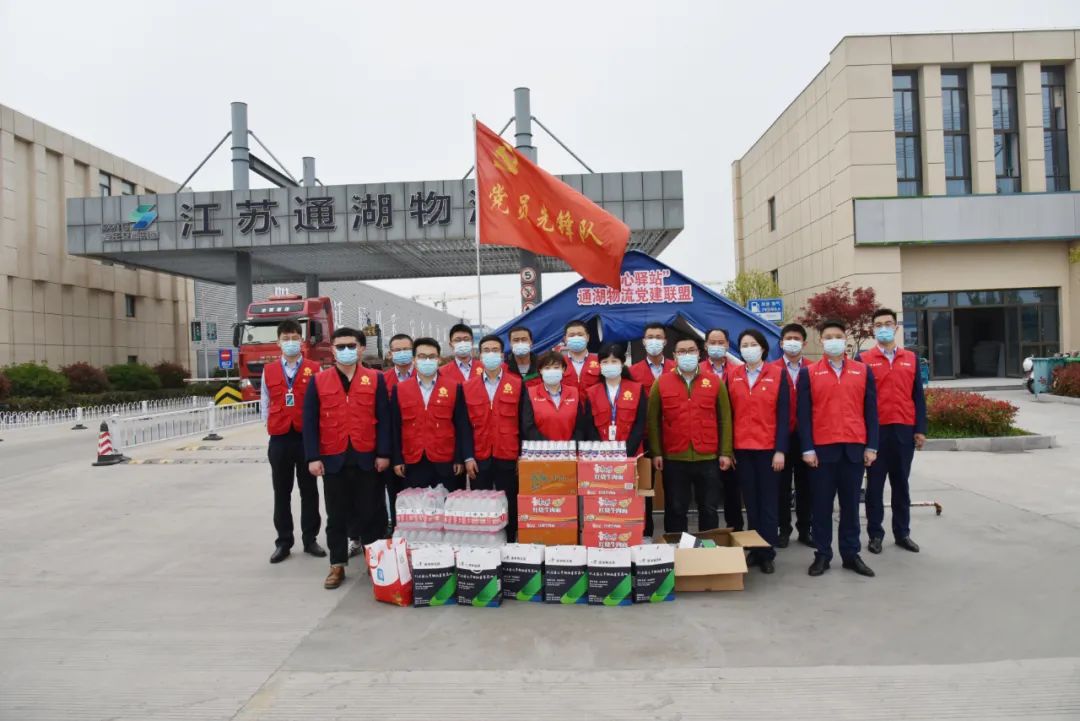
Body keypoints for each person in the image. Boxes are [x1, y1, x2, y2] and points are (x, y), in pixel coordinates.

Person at [303, 327, 391, 590]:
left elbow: (384, 419)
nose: (345, 351)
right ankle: (337, 564)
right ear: (332, 350)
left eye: (351, 346)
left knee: (372, 513)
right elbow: (310, 423)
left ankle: (375, 562)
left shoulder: (375, 379)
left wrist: (383, 453)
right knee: (336, 515)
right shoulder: (319, 381)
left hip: (367, 457)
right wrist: (313, 457)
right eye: (340, 346)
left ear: (361, 348)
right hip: (333, 458)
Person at [797, 319, 879, 578]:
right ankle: (822, 554)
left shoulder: (862, 371)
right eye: (828, 336)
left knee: (851, 507)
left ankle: (851, 554)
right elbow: (803, 415)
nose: (833, 340)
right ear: (821, 340)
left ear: (845, 339)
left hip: (853, 450)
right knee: (821, 507)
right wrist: (807, 448)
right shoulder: (809, 373)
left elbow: (871, 412)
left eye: (838, 336)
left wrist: (872, 446)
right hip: (821, 452)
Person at [648, 337, 734, 534]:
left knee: (709, 508)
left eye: (691, 350)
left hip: (708, 457)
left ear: (699, 353)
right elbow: (653, 421)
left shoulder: (714, 381)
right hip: (674, 457)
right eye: (682, 351)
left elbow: (725, 419)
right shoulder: (661, 382)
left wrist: (725, 452)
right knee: (676, 508)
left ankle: (707, 547)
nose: (687, 355)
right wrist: (656, 452)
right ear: (674, 356)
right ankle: (677, 546)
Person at [858, 308, 927, 555]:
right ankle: (875, 535)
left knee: (901, 485)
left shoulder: (911, 358)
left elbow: (918, 396)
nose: (884, 328)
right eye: (878, 325)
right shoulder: (863, 359)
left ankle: (902, 533)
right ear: (873, 330)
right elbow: (859, 399)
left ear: (896, 327)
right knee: (875, 487)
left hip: (904, 430)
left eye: (888, 323)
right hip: (876, 433)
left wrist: (920, 429)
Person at [261, 320, 326, 564]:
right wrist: (270, 427)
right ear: (278, 342)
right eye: (285, 338)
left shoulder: (314, 369)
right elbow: (265, 403)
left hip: (305, 439)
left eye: (295, 338)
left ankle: (310, 539)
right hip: (279, 439)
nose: (290, 342)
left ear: (302, 341)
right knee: (282, 492)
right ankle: (283, 542)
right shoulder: (269, 370)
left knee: (309, 491)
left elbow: (321, 402)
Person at [727, 329, 789, 574]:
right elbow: (729, 414)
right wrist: (729, 449)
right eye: (744, 345)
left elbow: (783, 415)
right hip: (742, 449)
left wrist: (780, 450)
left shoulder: (777, 374)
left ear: (763, 348)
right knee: (751, 503)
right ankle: (754, 549)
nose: (748, 348)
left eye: (753, 344)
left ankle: (767, 552)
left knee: (768, 503)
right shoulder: (733, 375)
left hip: (768, 450)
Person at [390, 337, 474, 491]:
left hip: (446, 461)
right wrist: (397, 459)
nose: (427, 360)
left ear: (439, 359)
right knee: (416, 505)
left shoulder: (454, 387)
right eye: (422, 356)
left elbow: (462, 425)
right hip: (413, 461)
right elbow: (395, 428)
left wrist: (459, 458)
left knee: (448, 504)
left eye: (432, 356)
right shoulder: (400, 389)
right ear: (414, 359)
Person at [463, 335, 525, 541]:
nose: (491, 354)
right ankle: (485, 543)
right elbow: (464, 426)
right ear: (480, 356)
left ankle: (510, 542)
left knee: (510, 502)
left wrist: (522, 455)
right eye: (486, 350)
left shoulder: (517, 384)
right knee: (482, 505)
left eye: (495, 350)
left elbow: (523, 423)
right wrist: (468, 456)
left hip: (508, 454)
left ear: (502, 355)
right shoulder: (467, 386)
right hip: (479, 456)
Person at [772, 322, 814, 548]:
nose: (792, 342)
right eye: (788, 338)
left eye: (797, 339)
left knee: (806, 486)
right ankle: (784, 528)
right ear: (781, 343)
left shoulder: (814, 369)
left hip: (807, 437)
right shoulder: (772, 369)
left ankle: (805, 529)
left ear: (804, 343)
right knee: (781, 487)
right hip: (781, 436)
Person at [699, 327, 744, 530]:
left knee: (732, 491)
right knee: (707, 495)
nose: (716, 346)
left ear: (727, 344)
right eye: (712, 342)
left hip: (733, 438)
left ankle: (735, 531)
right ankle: (711, 535)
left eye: (721, 342)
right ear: (705, 345)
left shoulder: (738, 371)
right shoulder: (697, 371)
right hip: (705, 440)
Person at [521, 351, 592, 441]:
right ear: (540, 370)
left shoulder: (574, 392)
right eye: (547, 368)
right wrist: (549, 446)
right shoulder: (531, 393)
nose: (552, 371)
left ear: (563, 369)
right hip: (540, 448)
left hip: (570, 448)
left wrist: (570, 445)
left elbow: (580, 426)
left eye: (556, 367)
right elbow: (528, 426)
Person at [560, 320, 602, 391]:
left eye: (580, 335)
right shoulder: (558, 362)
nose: (576, 338)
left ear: (588, 337)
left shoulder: (600, 361)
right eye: (572, 335)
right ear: (565, 339)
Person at [629, 323, 674, 388]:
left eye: (658, 337)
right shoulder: (632, 371)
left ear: (665, 342)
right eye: (650, 337)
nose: (654, 341)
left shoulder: (677, 368)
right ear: (644, 342)